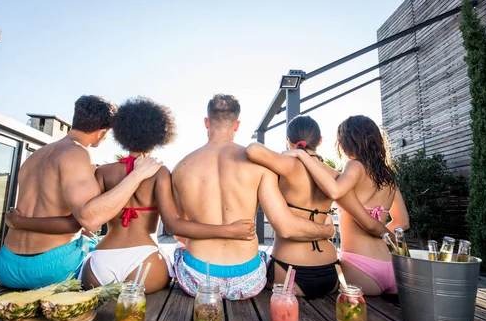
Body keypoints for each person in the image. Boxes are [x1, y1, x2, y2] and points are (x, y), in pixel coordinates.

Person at [8, 97, 256, 294]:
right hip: (145, 261)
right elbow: (173, 225)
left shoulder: (102, 172)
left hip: (100, 263)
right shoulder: (160, 173)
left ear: (120, 132)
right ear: (160, 135)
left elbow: (86, 215)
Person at [172, 94, 333, 300]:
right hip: (247, 279)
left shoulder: (180, 168)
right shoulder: (259, 167)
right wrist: (326, 230)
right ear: (236, 125)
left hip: (198, 280)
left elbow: (178, 232)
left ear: (206, 122)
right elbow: (285, 226)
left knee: (180, 249)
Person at [0, 95, 163, 289]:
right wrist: (137, 175)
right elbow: (89, 219)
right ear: (101, 133)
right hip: (49, 270)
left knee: (91, 241)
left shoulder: (36, 155)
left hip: (6, 266)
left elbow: (46, 210)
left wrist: (19, 222)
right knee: (102, 255)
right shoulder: (78, 153)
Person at [246, 115, 388, 298]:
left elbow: (252, 150)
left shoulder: (287, 164)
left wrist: (295, 154)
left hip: (289, 270)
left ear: (289, 141)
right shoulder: (334, 176)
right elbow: (365, 219)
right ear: (320, 141)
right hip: (330, 272)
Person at [284, 115, 409, 296]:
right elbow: (403, 222)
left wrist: (302, 156)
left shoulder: (355, 166)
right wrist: (383, 238)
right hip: (390, 264)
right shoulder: (388, 176)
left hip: (361, 266)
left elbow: (335, 191)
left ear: (345, 143)